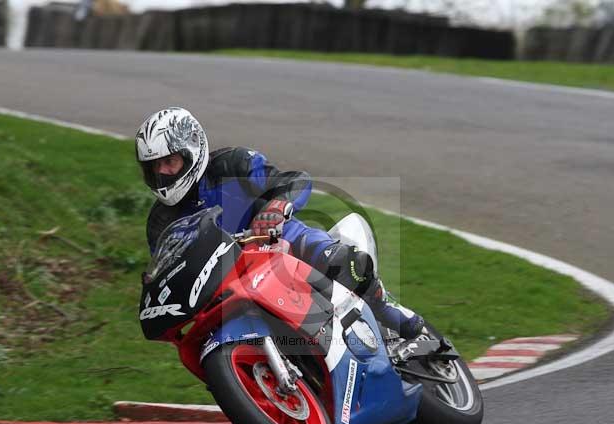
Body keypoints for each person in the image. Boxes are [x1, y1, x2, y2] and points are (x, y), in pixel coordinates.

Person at [136, 107, 424, 340]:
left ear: (191, 152)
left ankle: (389, 311)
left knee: (339, 262)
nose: (162, 173)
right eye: (154, 167)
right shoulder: (159, 221)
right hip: (226, 282)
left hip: (280, 241)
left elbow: (293, 179)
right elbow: (172, 268)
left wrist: (276, 206)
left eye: (169, 162)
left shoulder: (231, 164)